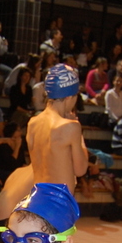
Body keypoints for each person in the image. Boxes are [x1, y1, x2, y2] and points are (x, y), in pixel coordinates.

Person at [27, 64, 88, 192]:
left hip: (36, 197)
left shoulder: (32, 123)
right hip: (59, 200)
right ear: (69, 97)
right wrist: (79, 134)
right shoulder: (70, 127)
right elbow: (81, 169)